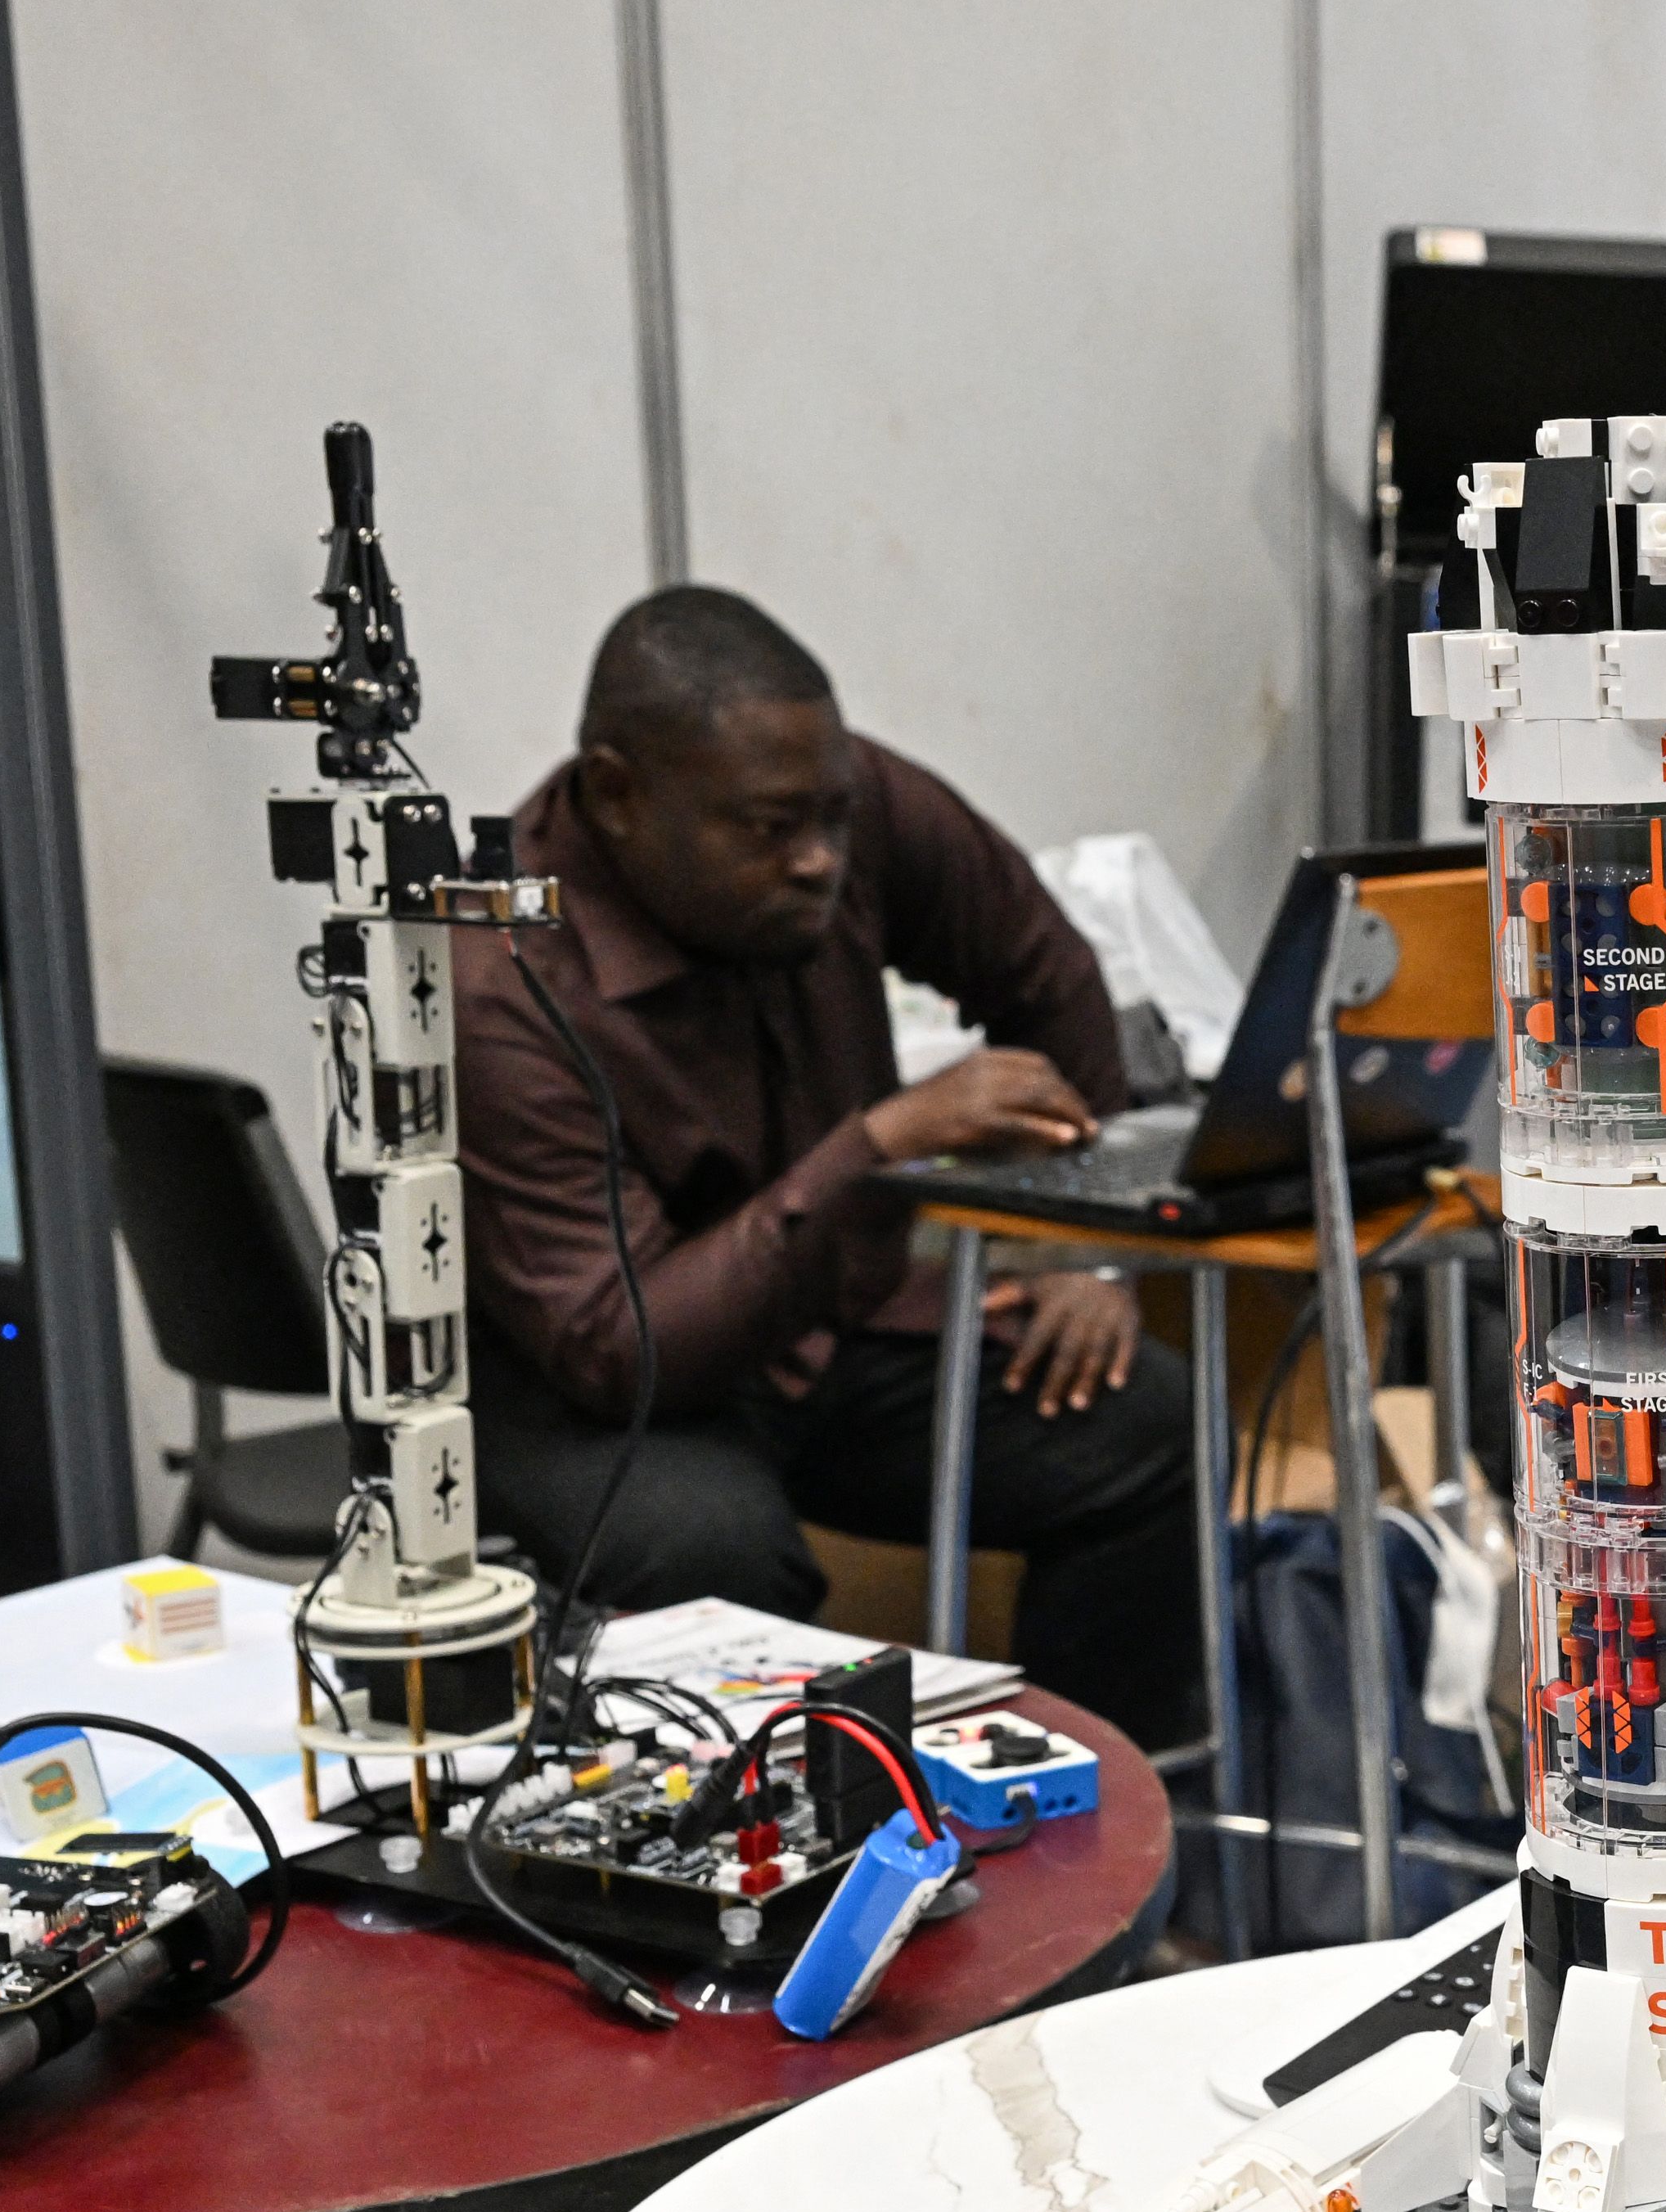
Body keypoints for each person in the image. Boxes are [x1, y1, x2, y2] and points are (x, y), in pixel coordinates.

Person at [454, 585, 1204, 1750]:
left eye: (834, 819)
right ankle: (780, 1899)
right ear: (616, 794)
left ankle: (1093, 1836)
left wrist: (1082, 1251)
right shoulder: (502, 984)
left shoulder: (838, 804)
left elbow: (1047, 975)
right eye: (767, 830)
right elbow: (617, 1346)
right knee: (711, 1550)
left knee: (1147, 1424)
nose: (818, 859)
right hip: (599, 1397)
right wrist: (880, 1145)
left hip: (833, 1330)